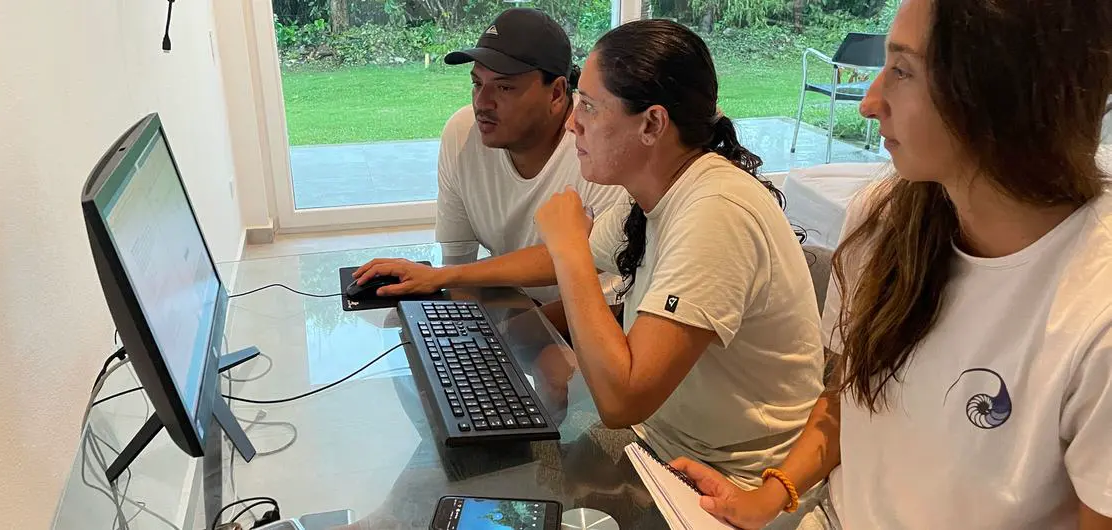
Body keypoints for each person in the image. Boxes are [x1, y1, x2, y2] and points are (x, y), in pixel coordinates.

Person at [671, 0, 1112, 528]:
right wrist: (768, 496)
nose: (870, 101)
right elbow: (846, 403)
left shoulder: (1093, 310)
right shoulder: (881, 226)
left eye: (902, 70)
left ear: (1001, 92)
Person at [356, 19, 825, 490]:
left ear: (652, 124)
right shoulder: (657, 186)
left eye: (591, 107)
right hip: (661, 441)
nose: (574, 121)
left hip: (730, 479)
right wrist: (442, 277)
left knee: (479, 480)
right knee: (459, 461)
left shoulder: (715, 213)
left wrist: (568, 249)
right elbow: (558, 258)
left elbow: (621, 403)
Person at [431, 8, 628, 304]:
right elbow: (459, 268)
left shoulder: (599, 150)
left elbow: (611, 300)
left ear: (556, 94)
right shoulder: (462, 134)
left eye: (505, 87)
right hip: (514, 312)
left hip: (584, 334)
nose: (482, 103)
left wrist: (511, 336)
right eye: (477, 83)